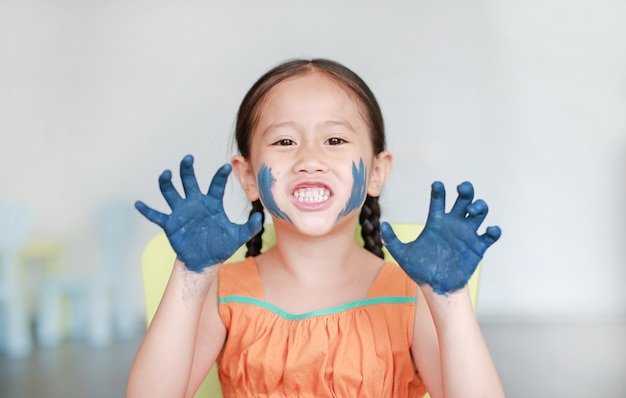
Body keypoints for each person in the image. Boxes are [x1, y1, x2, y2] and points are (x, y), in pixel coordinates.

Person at [126, 58, 505, 398]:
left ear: (376, 172)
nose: (310, 159)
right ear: (248, 177)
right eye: (285, 140)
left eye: (335, 140)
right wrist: (191, 273)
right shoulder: (225, 291)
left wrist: (449, 300)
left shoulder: (410, 295)